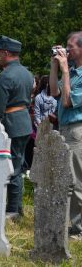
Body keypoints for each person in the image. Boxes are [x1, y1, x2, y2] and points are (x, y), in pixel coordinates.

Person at [0, 35, 34, 216]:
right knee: (19, 164)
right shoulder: (26, 73)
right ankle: (17, 207)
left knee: (12, 167)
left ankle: (13, 209)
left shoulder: (5, 76)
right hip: (23, 122)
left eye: (0, 53)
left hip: (10, 124)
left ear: (6, 53)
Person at [49, 31, 82, 238]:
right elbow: (54, 93)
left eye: (71, 46)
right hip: (64, 129)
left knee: (78, 180)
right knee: (67, 178)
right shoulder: (69, 70)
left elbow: (68, 101)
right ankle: (75, 224)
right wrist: (55, 66)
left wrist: (65, 73)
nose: (67, 50)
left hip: (77, 130)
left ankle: (80, 228)